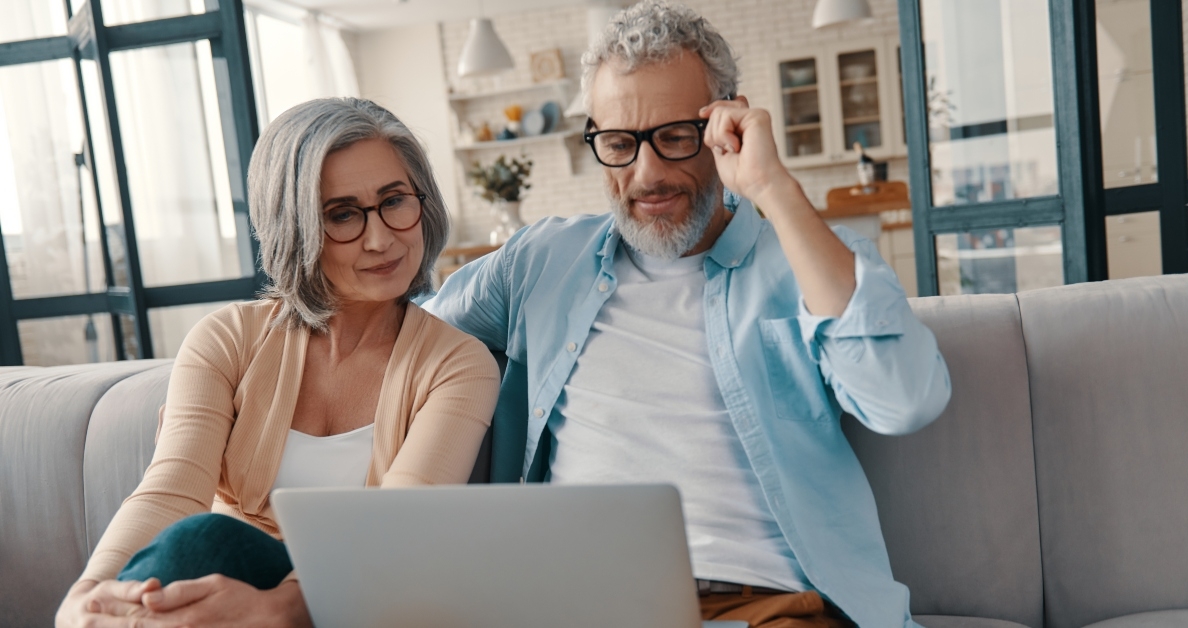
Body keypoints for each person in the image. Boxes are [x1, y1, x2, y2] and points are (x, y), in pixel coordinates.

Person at [424, 3, 951, 627]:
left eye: (674, 137)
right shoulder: (541, 259)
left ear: (730, 124)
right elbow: (408, 337)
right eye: (619, 143)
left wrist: (773, 188)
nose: (647, 175)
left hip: (763, 607)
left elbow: (904, 398)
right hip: (578, 605)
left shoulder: (801, 260)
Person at [56, 98, 501, 627]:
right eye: (342, 215)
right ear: (295, 229)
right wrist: (85, 595)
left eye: (394, 201)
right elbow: (172, 488)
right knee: (198, 549)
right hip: (214, 599)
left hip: (361, 600)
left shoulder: (458, 365)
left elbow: (396, 529)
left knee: (206, 541)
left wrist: (282, 609)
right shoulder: (227, 338)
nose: (381, 238)